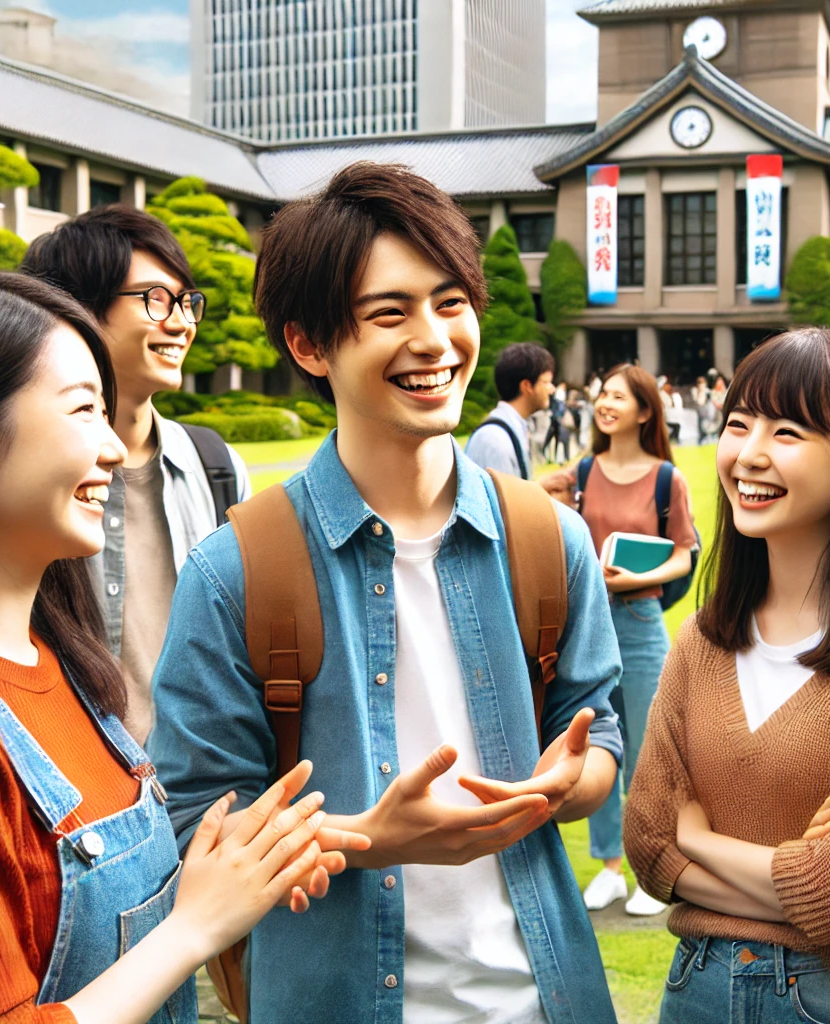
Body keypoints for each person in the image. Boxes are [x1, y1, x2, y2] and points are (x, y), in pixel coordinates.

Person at [0, 270, 364, 1024]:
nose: (116, 449)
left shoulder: (55, 661)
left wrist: (236, 871)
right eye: (86, 410)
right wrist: (190, 930)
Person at [145, 162, 625, 1024]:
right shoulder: (234, 571)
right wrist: (365, 839)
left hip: (544, 998)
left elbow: (598, 729)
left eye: (451, 302)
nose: (436, 340)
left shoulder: (549, 539)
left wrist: (572, 781)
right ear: (310, 344)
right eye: (389, 313)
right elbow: (195, 827)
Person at [624, 328, 830, 1023]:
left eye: (788, 431)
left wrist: (700, 843)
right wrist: (793, 868)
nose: (749, 454)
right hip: (693, 989)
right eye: (739, 423)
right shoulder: (704, 637)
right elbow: (645, 840)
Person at [20, 204, 251, 743]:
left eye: (187, 301)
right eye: (156, 300)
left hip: (204, 790)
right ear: (75, 310)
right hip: (77, 792)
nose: (182, 321)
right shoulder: (25, 480)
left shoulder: (218, 468)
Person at [540, 364, 697, 917]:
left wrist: (640, 579)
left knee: (651, 750)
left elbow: (683, 550)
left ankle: (657, 871)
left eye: (616, 396)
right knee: (597, 742)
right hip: (587, 624)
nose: (604, 403)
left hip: (640, 621)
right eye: (601, 394)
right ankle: (609, 867)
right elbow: (525, 498)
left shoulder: (664, 479)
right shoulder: (582, 470)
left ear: (645, 411)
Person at [466, 340, 554, 479]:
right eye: (546, 382)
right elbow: (504, 500)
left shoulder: (513, 428)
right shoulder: (495, 440)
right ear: (527, 386)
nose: (551, 389)